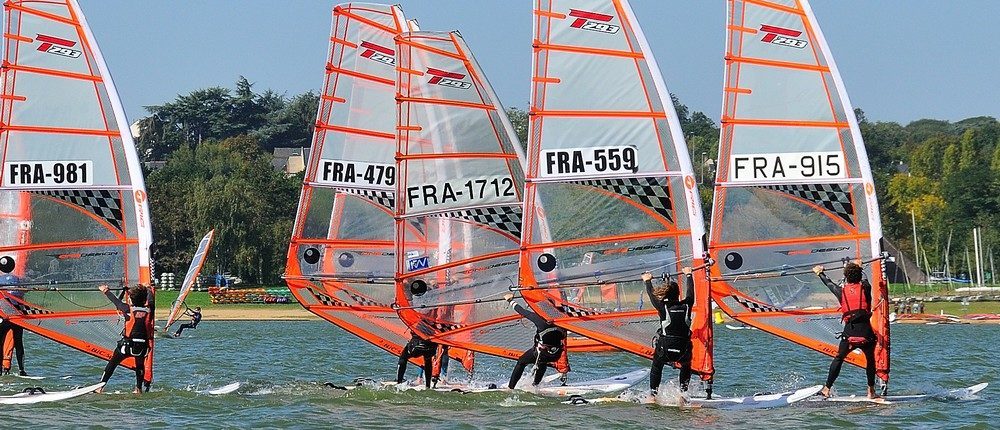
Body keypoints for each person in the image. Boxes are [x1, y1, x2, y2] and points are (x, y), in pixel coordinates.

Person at [813, 262, 879, 399]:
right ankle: (871, 391)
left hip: (849, 334)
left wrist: (820, 272)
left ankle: (827, 389)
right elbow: (865, 278)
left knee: (838, 358)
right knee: (870, 360)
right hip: (866, 334)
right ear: (859, 275)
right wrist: (860, 266)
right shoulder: (866, 287)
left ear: (846, 277)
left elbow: (829, 283)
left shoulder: (841, 292)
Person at [643, 267, 695, 397]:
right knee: (686, 366)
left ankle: (653, 396)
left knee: (656, 367)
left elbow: (652, 295)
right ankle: (683, 395)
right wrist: (688, 275)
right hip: (683, 350)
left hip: (665, 349)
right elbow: (690, 293)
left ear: (666, 294)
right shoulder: (687, 305)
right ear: (678, 294)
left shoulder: (663, 307)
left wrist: (647, 281)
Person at [504, 293, 570, 390]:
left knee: (521, 362)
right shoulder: (561, 318)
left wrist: (510, 300)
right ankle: (536, 385)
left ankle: (511, 388)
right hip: (556, 354)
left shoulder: (539, 319)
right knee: (542, 362)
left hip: (540, 353)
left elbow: (521, 311)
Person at [96, 284, 153, 395]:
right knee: (140, 365)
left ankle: (100, 387)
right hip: (143, 348)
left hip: (127, 347)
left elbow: (116, 301)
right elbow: (151, 300)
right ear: (145, 299)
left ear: (131, 299)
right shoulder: (150, 310)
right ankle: (138, 389)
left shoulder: (127, 309)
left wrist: (105, 290)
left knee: (112, 363)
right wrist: (149, 289)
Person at [0, 275, 27, 376]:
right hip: (15, 317)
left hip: (8, 317)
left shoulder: (3, 279)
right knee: (18, 344)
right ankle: (21, 370)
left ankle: (5, 369)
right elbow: (23, 291)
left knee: (5, 343)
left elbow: (23, 291)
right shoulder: (18, 280)